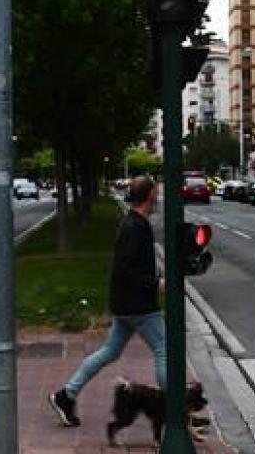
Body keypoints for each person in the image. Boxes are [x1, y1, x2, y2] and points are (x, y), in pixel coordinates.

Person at [49, 176, 168, 428]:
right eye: (155, 193)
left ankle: (66, 396)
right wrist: (155, 284)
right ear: (148, 196)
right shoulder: (134, 228)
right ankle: (175, 409)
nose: (157, 197)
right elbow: (123, 269)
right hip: (139, 306)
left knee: (109, 352)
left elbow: (131, 266)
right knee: (163, 349)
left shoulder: (134, 223)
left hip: (126, 305)